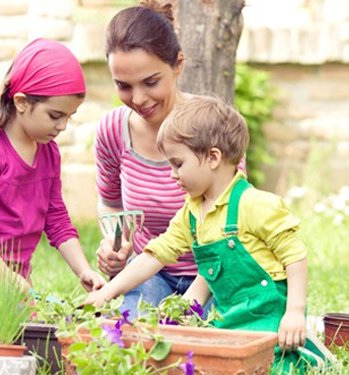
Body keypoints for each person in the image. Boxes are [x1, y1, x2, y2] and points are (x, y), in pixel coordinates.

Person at [86, 96, 330, 374]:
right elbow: (155, 257)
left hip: (270, 318)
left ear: (213, 157)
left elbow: (295, 256)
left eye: (178, 164)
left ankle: (309, 348)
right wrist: (107, 293)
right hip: (231, 319)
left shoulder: (255, 204)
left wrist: (295, 313)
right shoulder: (191, 213)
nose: (172, 175)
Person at [95, 0, 245, 318]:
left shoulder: (211, 126)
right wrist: (116, 244)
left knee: (215, 341)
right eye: (123, 86)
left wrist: (189, 305)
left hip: (214, 275)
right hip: (150, 272)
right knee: (131, 334)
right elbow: (110, 202)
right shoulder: (112, 130)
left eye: (151, 82)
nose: (138, 99)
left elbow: (233, 224)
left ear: (178, 64)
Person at [0, 38, 105, 293]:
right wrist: (3, 276)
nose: (62, 126)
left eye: (69, 117)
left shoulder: (49, 153)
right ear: (21, 102)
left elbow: (57, 218)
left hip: (13, 282)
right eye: (55, 115)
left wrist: (84, 270)